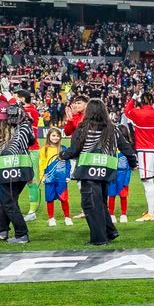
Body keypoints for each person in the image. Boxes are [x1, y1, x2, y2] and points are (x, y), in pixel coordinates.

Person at [60, 99, 121, 245]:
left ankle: (99, 239)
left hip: (88, 172)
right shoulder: (111, 128)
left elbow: (74, 149)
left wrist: (62, 155)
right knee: (100, 203)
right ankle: (110, 231)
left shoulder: (83, 128)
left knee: (90, 206)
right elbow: (125, 145)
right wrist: (133, 161)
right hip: (106, 172)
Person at [0, 101, 36, 244]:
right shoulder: (20, 127)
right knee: (7, 200)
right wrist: (25, 120)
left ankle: (21, 234)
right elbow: (31, 141)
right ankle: (2, 229)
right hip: (23, 168)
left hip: (6, 170)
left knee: (8, 202)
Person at [126, 91, 154, 222]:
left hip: (144, 149)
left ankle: (151, 212)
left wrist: (133, 98)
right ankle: (150, 209)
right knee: (149, 180)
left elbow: (127, 111)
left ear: (141, 102)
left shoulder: (137, 112)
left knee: (147, 181)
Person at [39, 127, 74, 226]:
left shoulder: (63, 149)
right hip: (49, 178)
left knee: (64, 198)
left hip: (61, 178)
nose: (55, 138)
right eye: (53, 135)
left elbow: (68, 163)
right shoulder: (44, 149)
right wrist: (42, 176)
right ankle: (51, 218)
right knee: (49, 198)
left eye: (58, 136)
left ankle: (67, 217)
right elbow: (41, 164)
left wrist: (67, 175)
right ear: (49, 136)